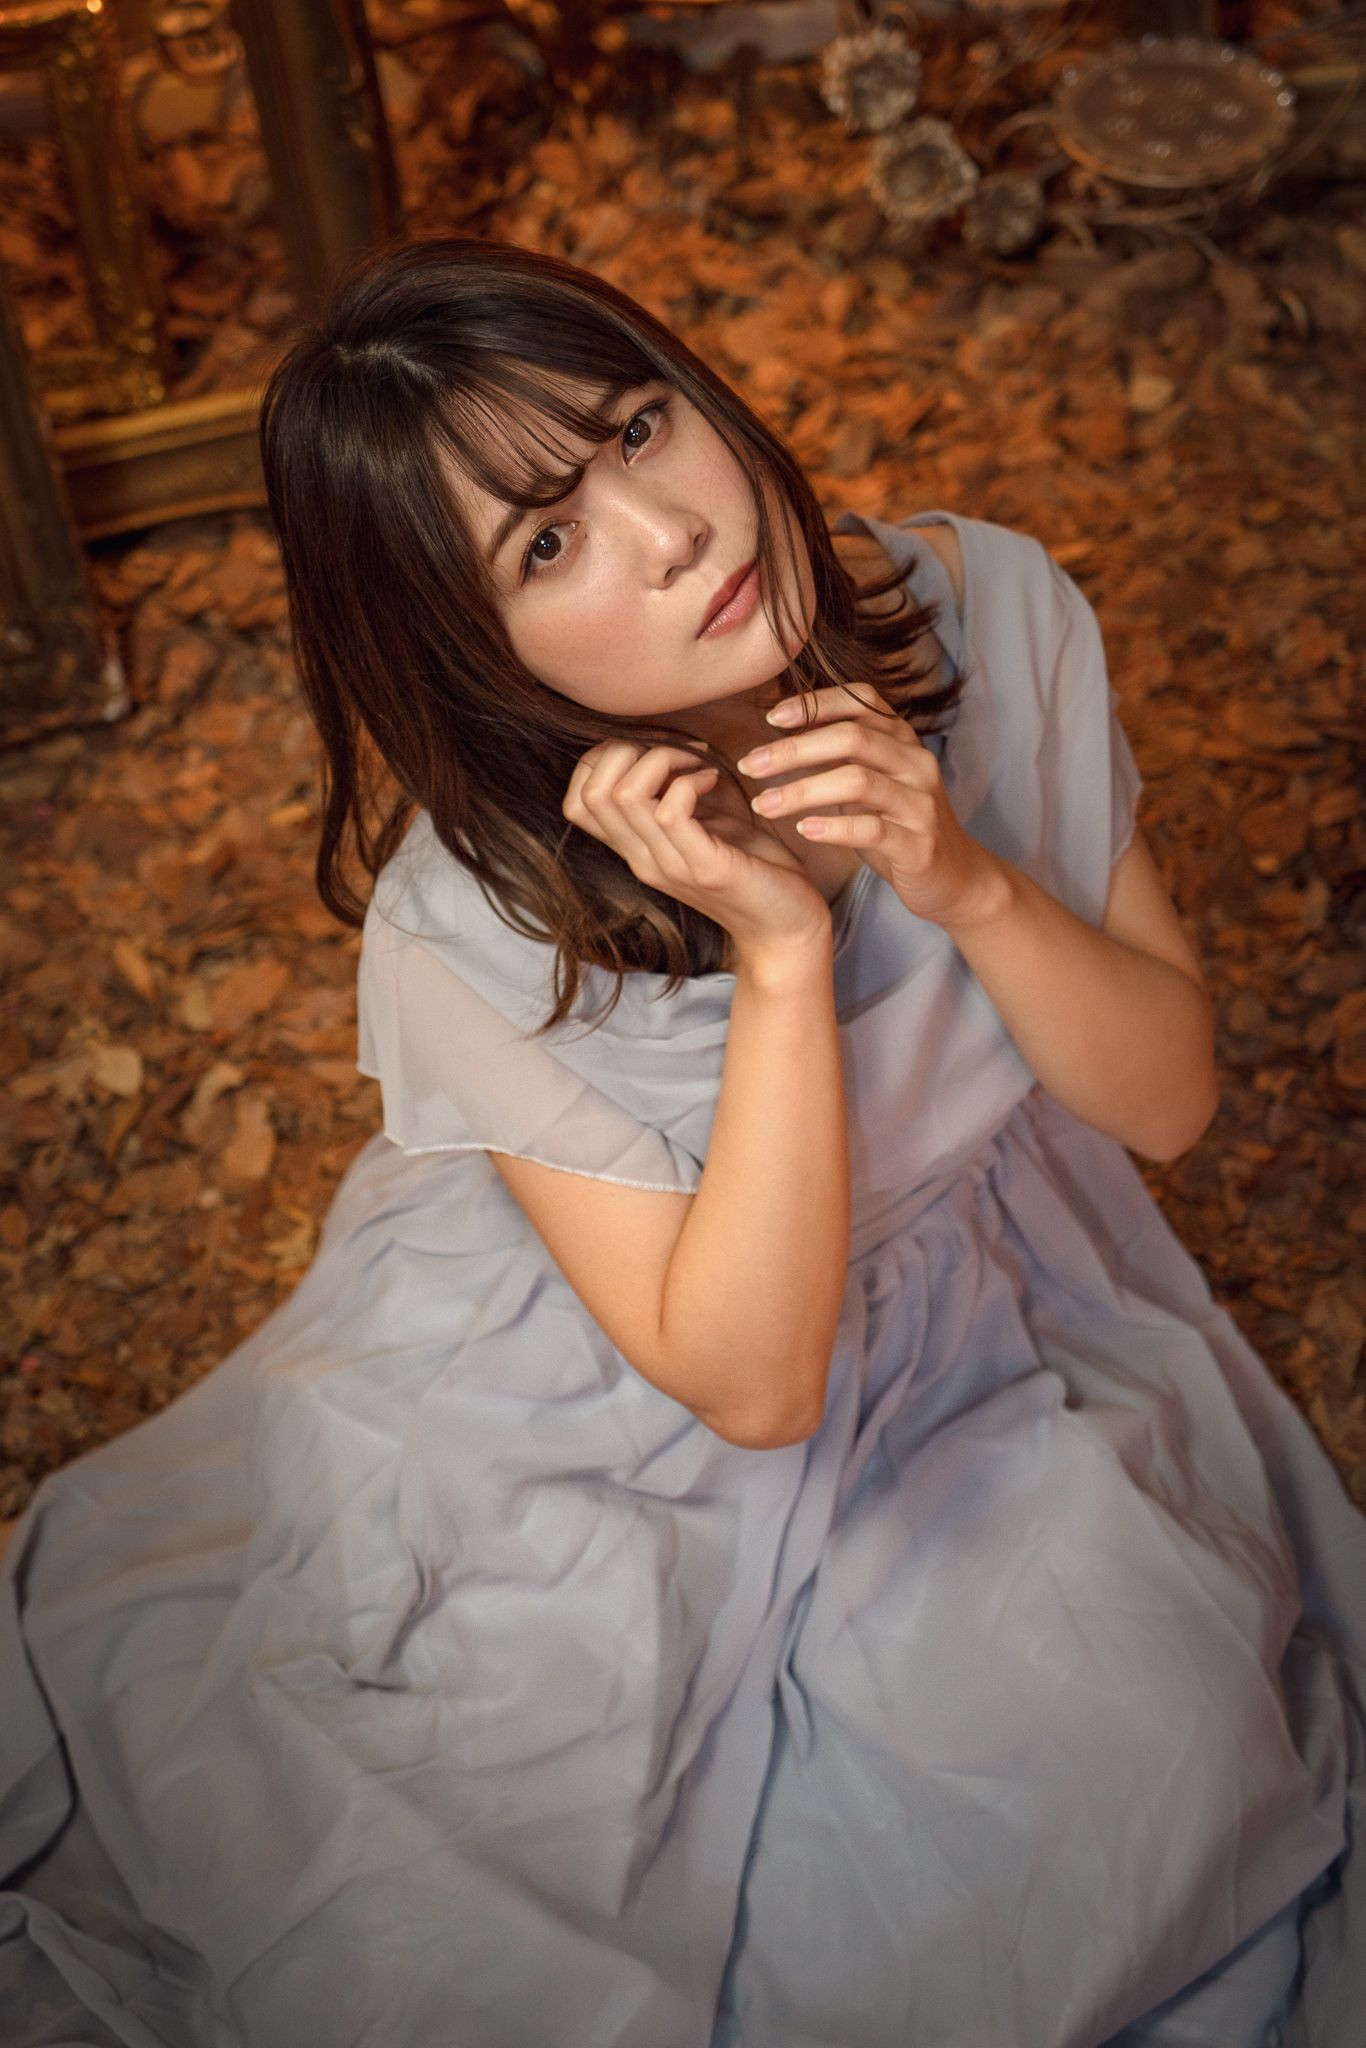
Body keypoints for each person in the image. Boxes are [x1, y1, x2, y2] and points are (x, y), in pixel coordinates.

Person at [0, 234, 1361, 2048]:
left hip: (972, 1316)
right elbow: (748, 1383)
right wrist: (780, 956)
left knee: (1158, 1777)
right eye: (545, 546)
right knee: (541, 1906)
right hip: (619, 1398)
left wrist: (960, 877)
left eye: (639, 428)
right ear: (470, 648)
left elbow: (1166, 1103)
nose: (669, 533)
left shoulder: (989, 605)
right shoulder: (464, 923)